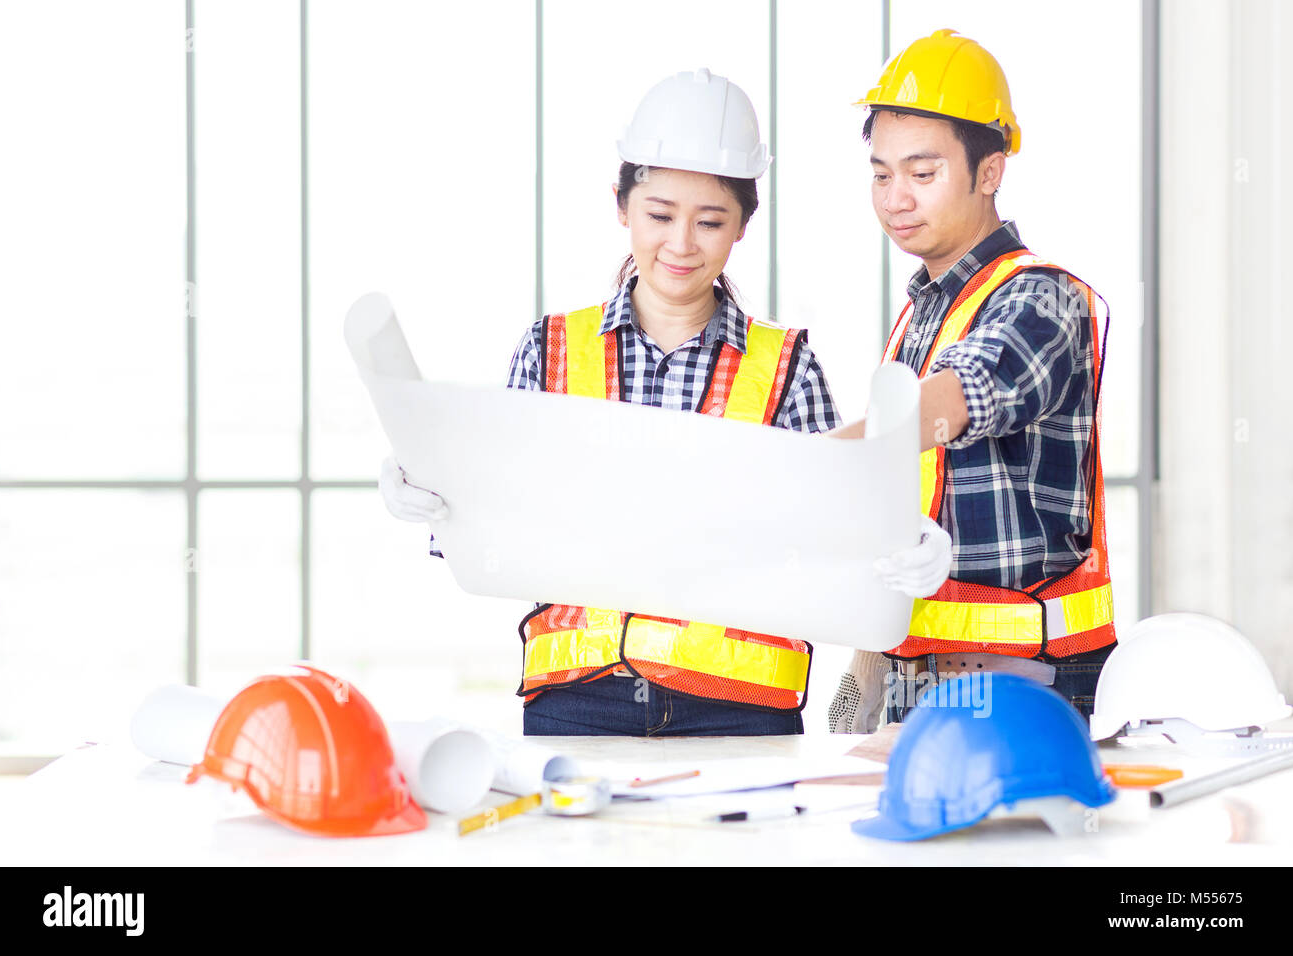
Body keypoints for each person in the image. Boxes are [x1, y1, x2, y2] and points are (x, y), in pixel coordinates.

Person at [381, 68, 951, 737]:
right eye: (659, 215)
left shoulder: (785, 369)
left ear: (743, 225)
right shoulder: (551, 350)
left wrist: (901, 540)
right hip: (579, 705)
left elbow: (833, 531)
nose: (681, 244)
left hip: (740, 713)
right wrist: (433, 488)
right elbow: (495, 526)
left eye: (710, 221)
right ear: (621, 205)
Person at [827, 29, 1117, 733]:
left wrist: (808, 464)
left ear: (989, 172)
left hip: (1024, 686)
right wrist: (860, 685)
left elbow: (955, 401)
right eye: (880, 173)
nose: (896, 198)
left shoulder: (1040, 299)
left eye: (921, 175)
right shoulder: (920, 317)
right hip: (915, 684)